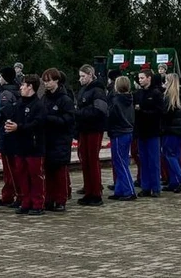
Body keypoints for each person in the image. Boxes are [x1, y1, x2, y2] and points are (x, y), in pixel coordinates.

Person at [5, 74, 47, 216]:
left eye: (23, 85)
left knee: (35, 176)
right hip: (20, 145)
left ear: (30, 87)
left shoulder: (39, 105)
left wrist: (19, 127)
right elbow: (15, 119)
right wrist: (10, 125)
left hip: (34, 146)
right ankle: (25, 201)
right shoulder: (19, 104)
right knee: (22, 175)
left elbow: (37, 124)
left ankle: (38, 203)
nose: (21, 88)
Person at [74, 64, 108, 206]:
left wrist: (80, 113)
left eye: (83, 76)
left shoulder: (98, 90)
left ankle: (96, 193)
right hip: (84, 128)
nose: (80, 79)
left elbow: (100, 111)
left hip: (94, 129)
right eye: (80, 76)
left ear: (90, 75)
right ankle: (88, 191)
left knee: (92, 161)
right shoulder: (83, 90)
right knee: (85, 160)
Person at [41, 68, 74, 211]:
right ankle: (49, 199)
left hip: (60, 140)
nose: (46, 84)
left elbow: (68, 120)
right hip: (47, 139)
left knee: (59, 171)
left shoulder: (65, 99)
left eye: (49, 81)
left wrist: (50, 118)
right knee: (48, 171)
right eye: (45, 81)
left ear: (57, 81)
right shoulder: (44, 98)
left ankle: (61, 200)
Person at [134, 69, 164, 198]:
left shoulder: (156, 93)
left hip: (153, 131)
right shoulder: (138, 93)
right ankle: (145, 186)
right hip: (141, 131)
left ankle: (156, 187)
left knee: (154, 160)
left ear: (149, 78)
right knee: (144, 160)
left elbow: (159, 112)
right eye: (139, 78)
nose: (140, 80)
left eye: (142, 78)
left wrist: (143, 111)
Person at [107, 76, 136, 202]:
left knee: (120, 163)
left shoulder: (116, 101)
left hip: (119, 132)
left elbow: (111, 117)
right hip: (127, 131)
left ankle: (129, 190)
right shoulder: (129, 99)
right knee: (121, 161)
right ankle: (120, 189)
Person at [160, 73, 181, 194]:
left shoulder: (169, 96)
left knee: (169, 154)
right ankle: (174, 181)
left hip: (171, 129)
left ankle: (180, 178)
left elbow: (165, 113)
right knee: (174, 154)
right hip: (179, 129)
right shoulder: (180, 95)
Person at [0, 67, 20, 207]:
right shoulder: (18, 89)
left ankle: (10, 195)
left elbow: (3, 113)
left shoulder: (6, 93)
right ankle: (14, 194)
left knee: (10, 169)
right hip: (15, 135)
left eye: (0, 76)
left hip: (7, 134)